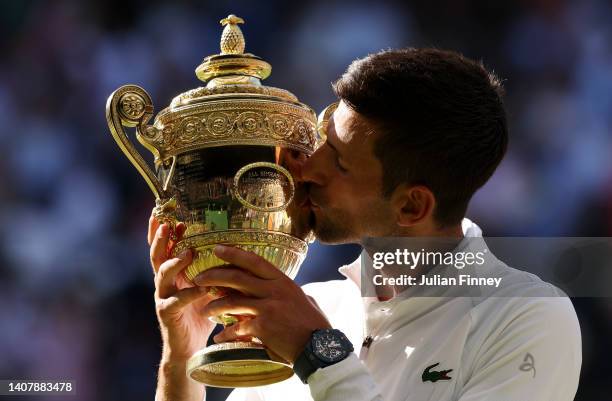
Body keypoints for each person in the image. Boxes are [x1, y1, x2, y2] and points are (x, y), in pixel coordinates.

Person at [148, 48, 581, 401]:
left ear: (412, 206)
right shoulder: (310, 307)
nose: (306, 169)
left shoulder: (527, 318)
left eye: (337, 162)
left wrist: (319, 353)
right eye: (322, 140)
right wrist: (181, 355)